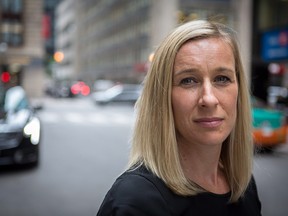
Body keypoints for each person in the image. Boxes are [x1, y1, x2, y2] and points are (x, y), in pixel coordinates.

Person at [97, 20, 262, 216]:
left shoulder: (243, 186)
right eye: (188, 80)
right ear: (163, 98)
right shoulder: (136, 201)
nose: (208, 99)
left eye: (222, 79)